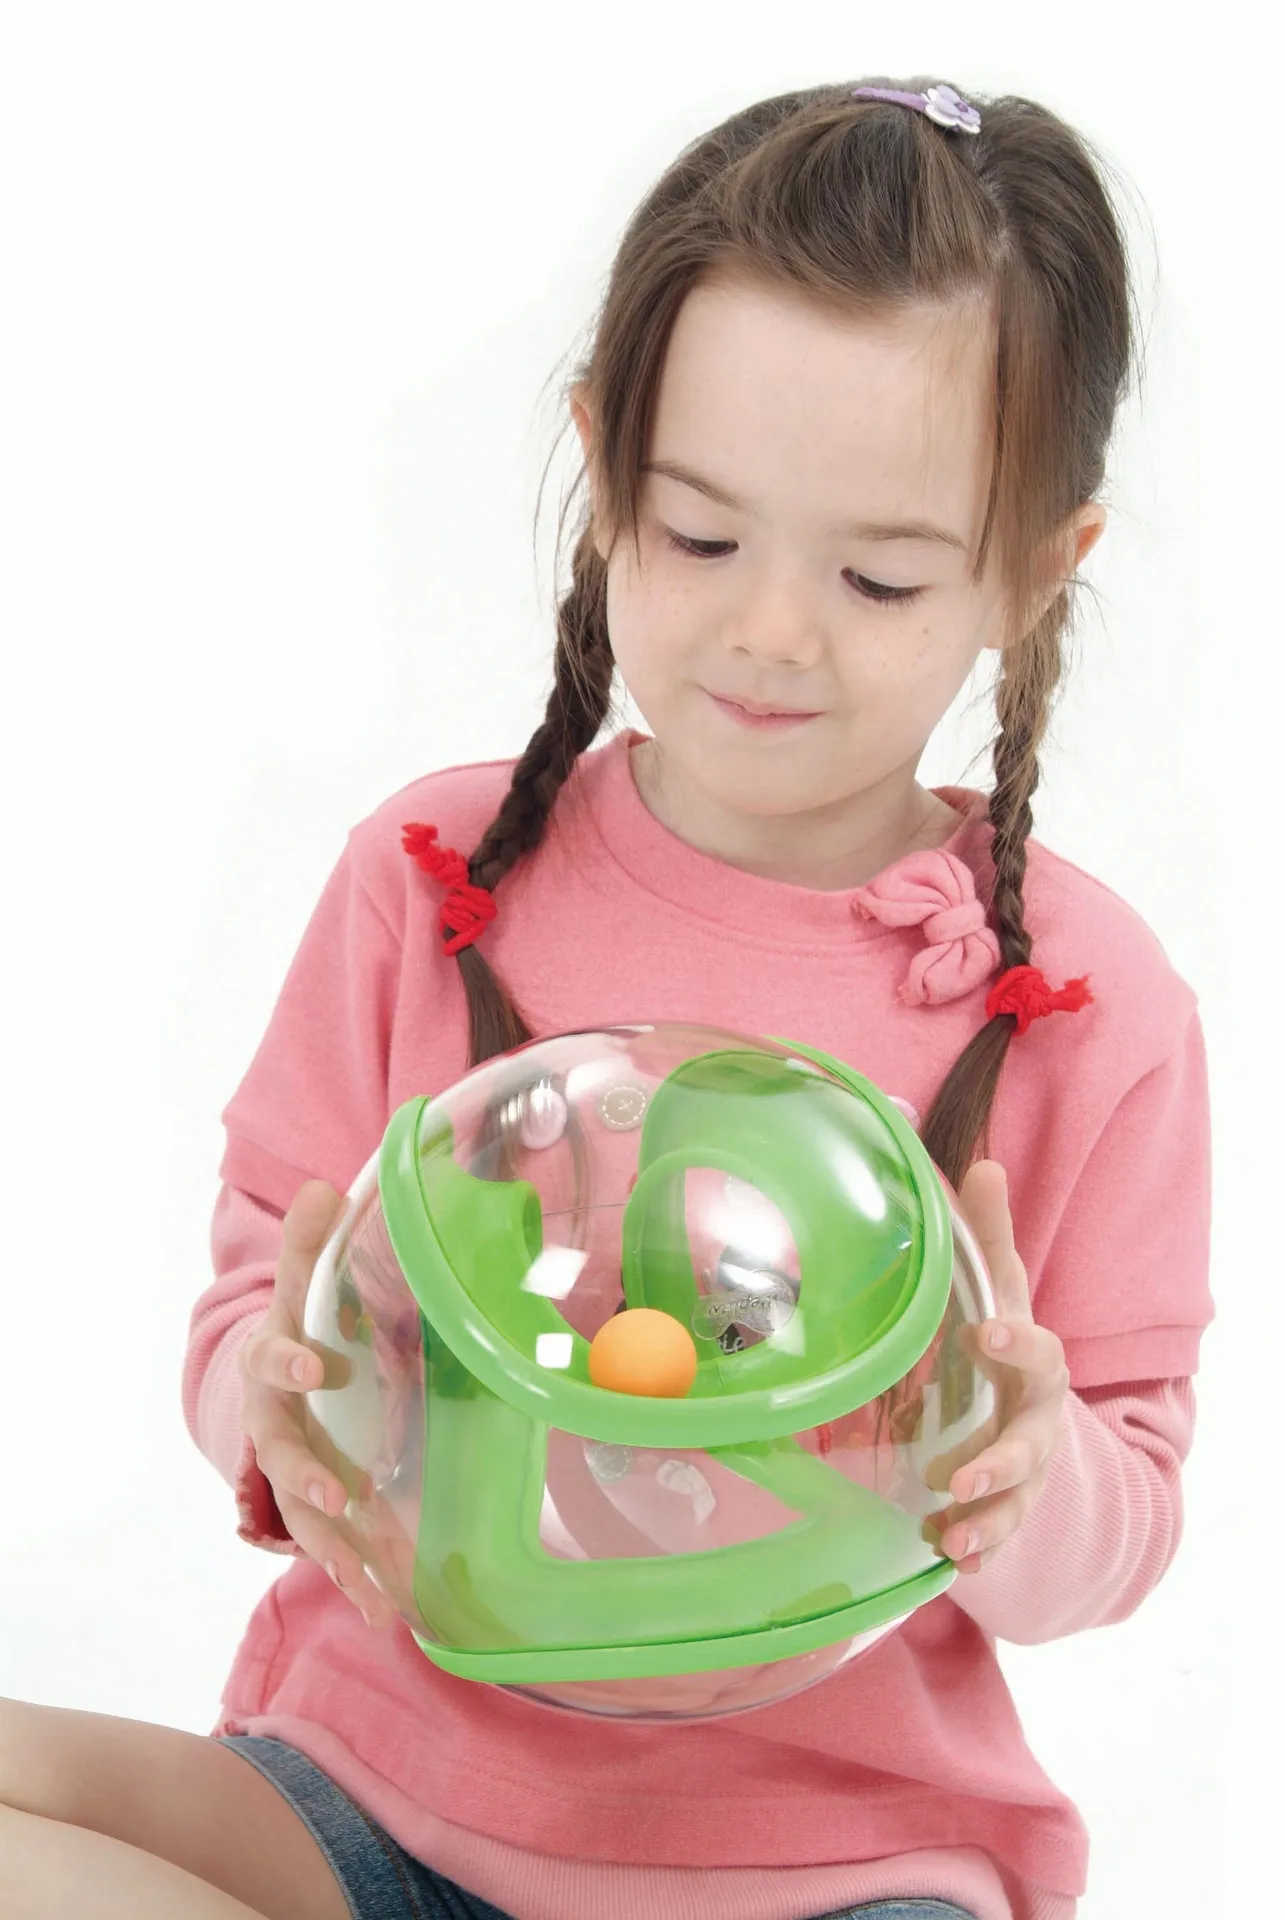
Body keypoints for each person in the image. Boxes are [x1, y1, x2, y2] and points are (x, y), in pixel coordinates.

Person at [0, 72, 1213, 1920]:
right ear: (604, 465)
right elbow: (256, 1293)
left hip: (830, 1872)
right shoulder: (435, 874)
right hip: (369, 1804)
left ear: (1037, 574)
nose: (772, 630)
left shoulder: (1084, 1000)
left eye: (879, 576)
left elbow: (1124, 1507)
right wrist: (280, 1393)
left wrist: (1014, 1465)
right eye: (702, 536)